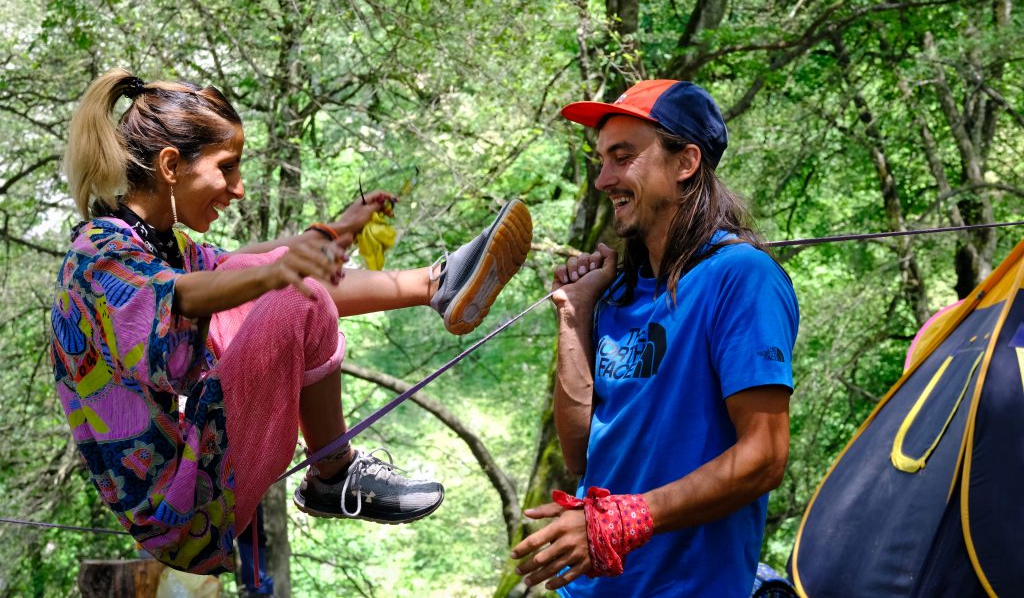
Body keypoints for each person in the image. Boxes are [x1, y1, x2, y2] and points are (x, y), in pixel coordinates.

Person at [50, 69, 533, 574]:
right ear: (171, 165)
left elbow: (242, 264)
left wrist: (319, 237)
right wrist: (284, 271)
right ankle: (335, 475)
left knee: (261, 271)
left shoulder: (155, 243)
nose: (237, 189)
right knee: (295, 294)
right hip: (186, 509)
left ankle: (436, 284)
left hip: (201, 473)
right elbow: (185, 296)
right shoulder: (98, 257)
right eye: (228, 167)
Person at [511, 80, 799, 596]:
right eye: (601, 160)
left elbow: (765, 457)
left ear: (685, 162)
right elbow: (581, 457)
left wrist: (626, 519)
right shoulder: (622, 291)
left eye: (622, 157)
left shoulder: (741, 277)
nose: (603, 179)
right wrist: (574, 317)